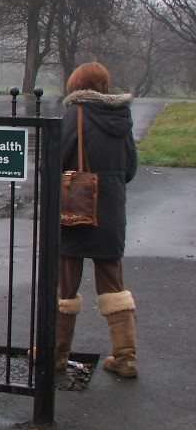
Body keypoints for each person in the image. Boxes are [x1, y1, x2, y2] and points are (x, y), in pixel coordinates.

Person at [56, 62, 139, 378]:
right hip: (111, 210)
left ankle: (55, 355)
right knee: (113, 282)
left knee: (66, 282)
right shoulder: (121, 118)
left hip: (77, 209)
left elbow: (55, 161)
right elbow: (129, 168)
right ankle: (126, 357)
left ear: (77, 85)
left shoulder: (74, 115)